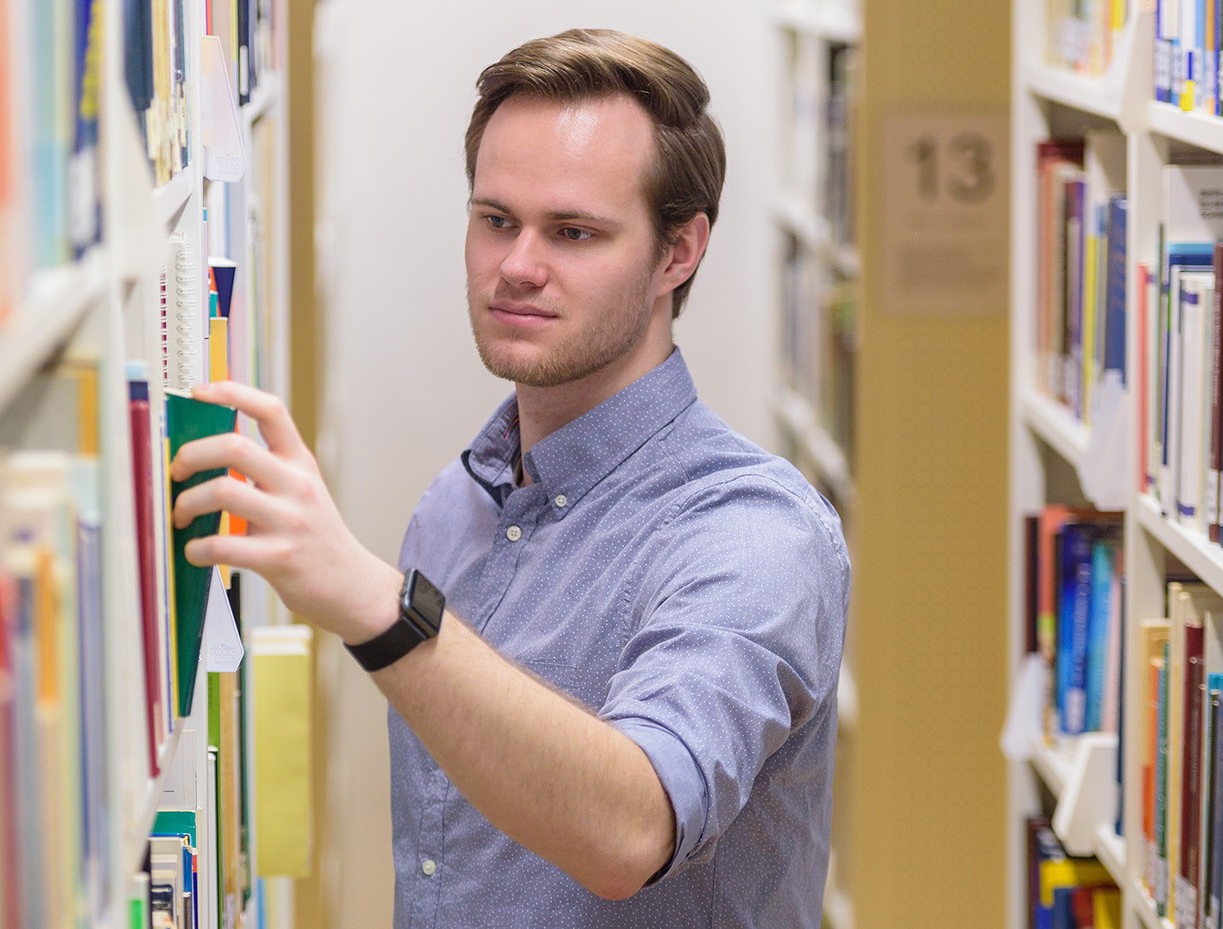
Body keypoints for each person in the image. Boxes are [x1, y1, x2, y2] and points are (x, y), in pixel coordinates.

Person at [169, 28, 849, 928]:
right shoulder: (454, 508)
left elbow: (633, 827)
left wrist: (381, 606)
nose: (517, 267)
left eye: (574, 232)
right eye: (496, 220)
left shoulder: (758, 533)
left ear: (679, 252)